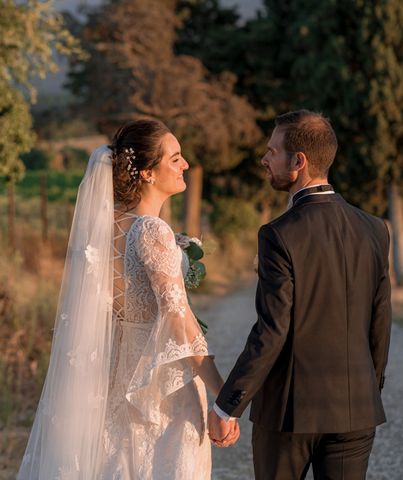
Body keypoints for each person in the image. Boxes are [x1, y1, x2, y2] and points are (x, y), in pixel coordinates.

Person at [17, 118, 238, 480]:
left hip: (113, 370)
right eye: (175, 158)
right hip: (158, 381)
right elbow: (179, 318)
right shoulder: (151, 230)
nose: (185, 165)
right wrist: (224, 394)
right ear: (148, 173)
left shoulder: (104, 227)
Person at [208, 110, 392, 480]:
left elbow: (272, 331)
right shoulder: (374, 229)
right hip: (355, 410)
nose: (264, 159)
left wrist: (227, 406)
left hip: (289, 413)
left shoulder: (279, 234)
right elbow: (380, 322)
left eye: (271, 151)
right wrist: (367, 389)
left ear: (299, 162)